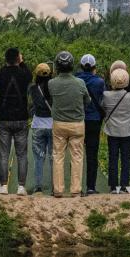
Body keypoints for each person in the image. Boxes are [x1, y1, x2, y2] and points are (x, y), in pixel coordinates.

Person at [48, 51, 90, 198]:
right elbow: (87, 101)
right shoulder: (80, 83)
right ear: (72, 65)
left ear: (57, 66)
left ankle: (58, 190)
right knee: (77, 156)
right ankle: (76, 190)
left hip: (59, 124)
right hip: (77, 124)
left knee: (58, 156)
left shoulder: (51, 83)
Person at [0, 47, 32, 196]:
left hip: (4, 118)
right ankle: (21, 187)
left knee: (3, 153)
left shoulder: (0, 75)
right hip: (21, 118)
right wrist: (21, 63)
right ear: (18, 58)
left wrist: (10, 62)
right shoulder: (24, 74)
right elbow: (29, 74)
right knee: (21, 154)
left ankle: (3, 186)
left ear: (6, 60)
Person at [103, 67, 130, 194]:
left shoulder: (106, 95)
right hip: (127, 130)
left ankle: (113, 186)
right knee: (125, 157)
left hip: (112, 130)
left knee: (113, 157)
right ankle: (124, 185)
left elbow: (104, 107)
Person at [76, 54, 105, 195]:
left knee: (77, 155)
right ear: (94, 67)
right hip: (94, 121)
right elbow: (102, 102)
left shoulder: (76, 80)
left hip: (78, 120)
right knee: (92, 155)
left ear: (81, 66)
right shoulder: (99, 82)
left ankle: (76, 186)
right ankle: (91, 187)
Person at [29, 63, 54, 194]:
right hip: (53, 124)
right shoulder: (54, 87)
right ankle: (55, 186)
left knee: (39, 157)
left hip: (38, 124)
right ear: (50, 73)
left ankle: (38, 186)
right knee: (53, 157)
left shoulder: (33, 88)